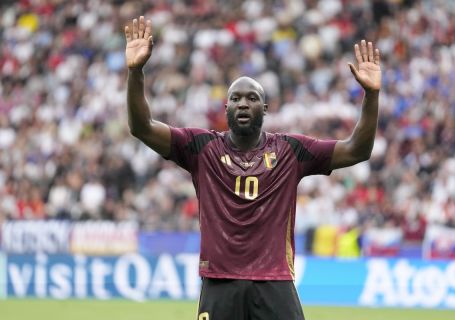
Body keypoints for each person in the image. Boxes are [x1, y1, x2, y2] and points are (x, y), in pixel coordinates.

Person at [125, 16, 381, 320]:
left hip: (274, 283)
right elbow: (142, 127)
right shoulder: (200, 147)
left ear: (266, 108)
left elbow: (357, 150)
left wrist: (372, 95)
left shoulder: (291, 150)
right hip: (220, 282)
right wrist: (135, 72)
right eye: (235, 98)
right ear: (226, 108)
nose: (243, 103)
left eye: (252, 98)